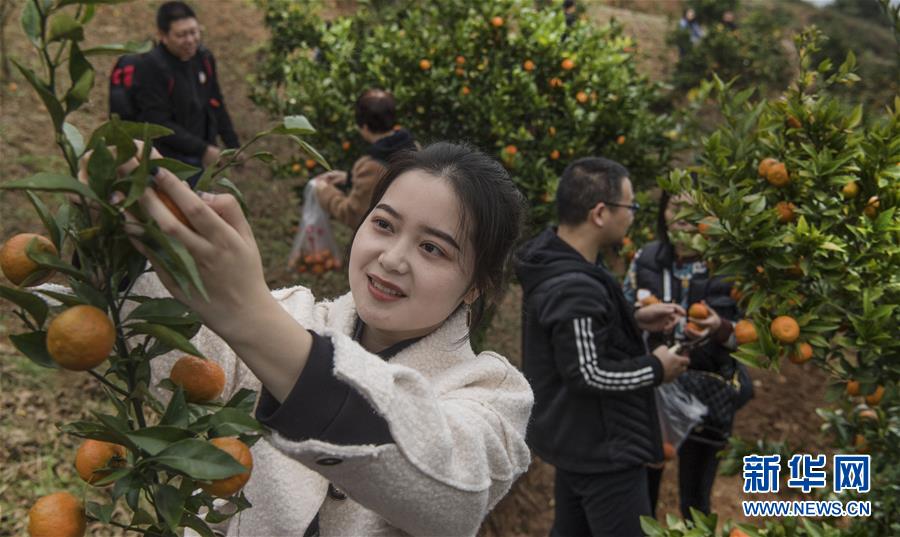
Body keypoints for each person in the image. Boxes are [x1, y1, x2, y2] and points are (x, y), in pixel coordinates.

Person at [122, 142, 532, 536]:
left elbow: (453, 494)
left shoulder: (490, 396)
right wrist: (117, 241)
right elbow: (167, 337)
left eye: (431, 248)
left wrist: (249, 315)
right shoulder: (294, 317)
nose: (391, 258)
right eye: (384, 225)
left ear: (476, 286)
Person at [516, 157, 690, 537]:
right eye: (629, 206)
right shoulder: (574, 286)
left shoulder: (563, 264)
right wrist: (657, 368)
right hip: (603, 448)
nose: (632, 215)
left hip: (578, 439)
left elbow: (578, 337)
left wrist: (634, 318)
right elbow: (588, 373)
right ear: (599, 213)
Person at [623, 191, 753, 518]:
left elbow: (755, 337)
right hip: (654, 390)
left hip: (708, 391)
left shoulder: (729, 266)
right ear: (663, 212)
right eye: (675, 207)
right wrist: (639, 317)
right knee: (643, 492)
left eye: (691, 209)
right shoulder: (645, 258)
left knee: (696, 499)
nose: (682, 217)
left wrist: (720, 327)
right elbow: (621, 317)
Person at [134, 1, 239, 184]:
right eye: (181, 35)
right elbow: (157, 121)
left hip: (199, 156)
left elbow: (216, 102)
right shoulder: (151, 66)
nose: (190, 40)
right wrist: (203, 150)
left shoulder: (204, 58)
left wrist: (233, 145)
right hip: (168, 159)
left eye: (194, 32)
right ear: (163, 36)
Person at [314, 89, 417, 229]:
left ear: (365, 127)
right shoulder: (412, 146)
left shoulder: (372, 166)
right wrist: (349, 178)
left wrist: (325, 191)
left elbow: (353, 216)